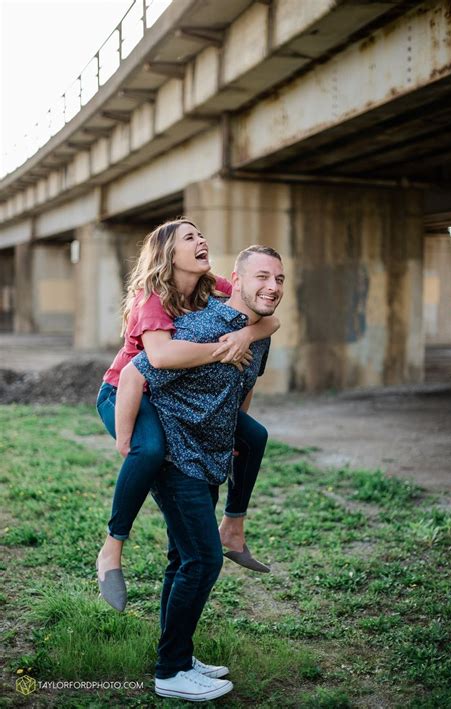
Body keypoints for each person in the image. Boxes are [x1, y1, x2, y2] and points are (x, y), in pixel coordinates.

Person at [119, 245, 285, 701]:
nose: (273, 287)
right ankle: (170, 672)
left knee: (183, 558)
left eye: (280, 279)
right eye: (262, 277)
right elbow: (137, 372)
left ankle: (178, 654)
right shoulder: (199, 325)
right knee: (204, 559)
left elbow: (242, 391)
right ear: (238, 278)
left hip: (208, 456)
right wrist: (128, 444)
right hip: (174, 459)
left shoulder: (257, 332)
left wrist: (228, 441)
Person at [96, 219, 279, 612]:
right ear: (169, 254)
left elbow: (266, 317)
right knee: (148, 451)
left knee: (253, 436)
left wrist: (244, 336)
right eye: (190, 238)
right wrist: (224, 347)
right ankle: (112, 549)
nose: (202, 240)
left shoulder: (211, 285)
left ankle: (234, 526)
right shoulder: (151, 297)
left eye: (201, 234)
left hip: (166, 394)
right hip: (125, 393)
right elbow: (158, 359)